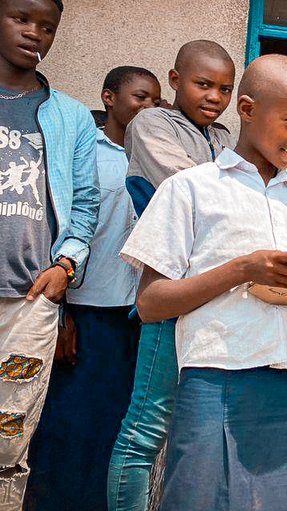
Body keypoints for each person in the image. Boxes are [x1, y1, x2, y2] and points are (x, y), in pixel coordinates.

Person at [119, 54, 287, 511]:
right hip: (216, 379)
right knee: (202, 498)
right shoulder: (191, 188)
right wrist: (242, 269)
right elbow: (150, 303)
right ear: (246, 110)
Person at [0, 0, 99, 511]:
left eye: (48, 27)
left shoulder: (71, 117)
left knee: (7, 448)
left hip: (28, 304)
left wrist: (65, 266)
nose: (34, 33)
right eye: (21, 19)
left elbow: (85, 204)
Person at [23, 66, 162, 510]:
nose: (149, 108)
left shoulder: (162, 159)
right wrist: (61, 315)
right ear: (108, 98)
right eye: (141, 97)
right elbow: (62, 230)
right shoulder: (88, 152)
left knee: (117, 427)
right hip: (84, 313)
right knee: (66, 424)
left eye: (157, 101)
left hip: (134, 316)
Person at [107, 40, 237, 511]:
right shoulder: (151, 123)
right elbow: (193, 191)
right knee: (145, 427)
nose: (214, 98)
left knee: (195, 424)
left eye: (225, 89)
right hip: (170, 284)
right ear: (176, 80)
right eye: (203, 84)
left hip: (214, 292)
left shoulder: (223, 137)